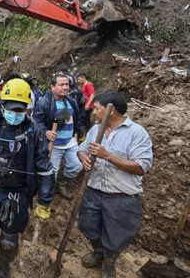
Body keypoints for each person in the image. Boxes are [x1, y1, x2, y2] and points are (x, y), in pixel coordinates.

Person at [0, 79, 54, 278]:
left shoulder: (35, 132)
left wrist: (44, 201)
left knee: (9, 239)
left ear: (26, 108)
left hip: (18, 191)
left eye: (19, 109)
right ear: (2, 104)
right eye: (10, 108)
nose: (14, 113)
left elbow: (45, 168)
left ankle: (3, 263)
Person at [77, 91, 152, 278]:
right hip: (93, 191)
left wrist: (107, 155)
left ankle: (109, 263)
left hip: (121, 197)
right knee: (87, 224)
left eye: (97, 108)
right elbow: (81, 149)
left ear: (111, 111)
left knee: (117, 235)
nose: (93, 112)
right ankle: (98, 252)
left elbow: (141, 167)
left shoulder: (136, 133)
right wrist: (84, 158)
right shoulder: (95, 130)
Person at [33, 74, 83, 199]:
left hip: (70, 142)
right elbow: (36, 121)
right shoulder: (44, 102)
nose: (65, 87)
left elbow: (77, 118)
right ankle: (46, 194)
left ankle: (63, 183)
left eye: (67, 84)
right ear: (52, 87)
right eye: (61, 85)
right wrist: (46, 132)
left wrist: (76, 133)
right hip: (54, 144)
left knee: (76, 166)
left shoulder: (71, 101)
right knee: (51, 172)